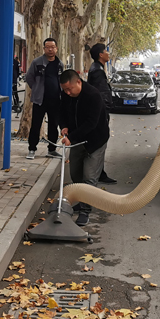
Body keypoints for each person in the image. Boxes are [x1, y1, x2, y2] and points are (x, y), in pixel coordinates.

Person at [59, 70, 110, 227]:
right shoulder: (66, 95)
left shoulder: (93, 95)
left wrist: (71, 137)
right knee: (75, 173)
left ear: (79, 83)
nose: (67, 93)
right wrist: (64, 126)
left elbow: (91, 123)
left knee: (89, 176)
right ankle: (81, 201)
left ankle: (85, 211)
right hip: (77, 140)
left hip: (96, 141)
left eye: (69, 89)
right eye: (64, 90)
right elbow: (61, 112)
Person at [25, 38, 65, 160]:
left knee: (54, 125)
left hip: (55, 100)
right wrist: (36, 88)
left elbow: (61, 80)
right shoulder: (37, 62)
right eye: (47, 47)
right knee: (36, 125)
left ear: (56, 48)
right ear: (44, 49)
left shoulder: (59, 64)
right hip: (40, 100)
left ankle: (52, 150)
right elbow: (29, 77)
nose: (50, 49)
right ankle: (32, 149)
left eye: (52, 47)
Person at [87, 43, 117, 185]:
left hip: (98, 111)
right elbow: (101, 94)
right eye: (106, 51)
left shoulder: (97, 68)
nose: (108, 54)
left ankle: (100, 172)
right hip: (100, 112)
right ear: (100, 54)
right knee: (100, 141)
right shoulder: (97, 71)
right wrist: (105, 109)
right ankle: (97, 174)